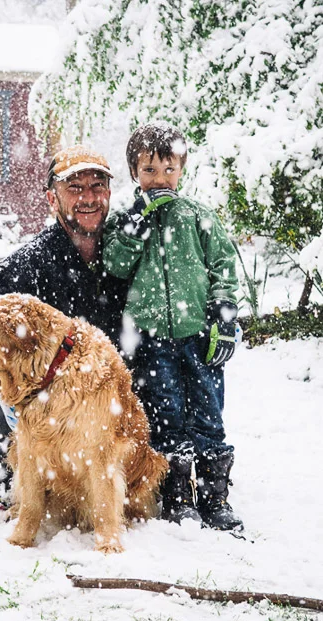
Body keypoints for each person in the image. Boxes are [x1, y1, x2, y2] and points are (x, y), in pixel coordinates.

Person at [0, 145, 129, 510]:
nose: (88, 197)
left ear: (109, 194)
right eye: (75, 187)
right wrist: (16, 376)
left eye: (97, 186)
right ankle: (15, 468)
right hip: (45, 393)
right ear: (53, 198)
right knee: (3, 377)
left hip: (106, 392)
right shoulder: (29, 264)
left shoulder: (126, 254)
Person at [102, 121, 242, 531]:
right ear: (134, 173)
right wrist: (137, 226)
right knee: (167, 415)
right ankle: (178, 495)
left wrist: (223, 316)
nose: (159, 179)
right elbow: (115, 264)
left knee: (208, 412)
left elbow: (224, 267)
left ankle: (215, 495)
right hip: (152, 339)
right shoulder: (126, 221)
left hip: (199, 335)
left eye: (168, 169)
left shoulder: (198, 216)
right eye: (149, 171)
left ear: (182, 169)